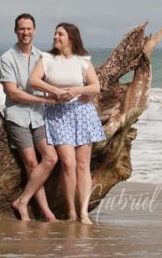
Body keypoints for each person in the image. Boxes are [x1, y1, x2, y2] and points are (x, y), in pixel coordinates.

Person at [28, 22, 106, 224]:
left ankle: (84, 212)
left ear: (70, 38)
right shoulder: (47, 58)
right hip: (57, 114)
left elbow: (95, 86)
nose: (55, 37)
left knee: (83, 165)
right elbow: (34, 81)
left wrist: (77, 91)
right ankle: (71, 212)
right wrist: (54, 90)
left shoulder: (82, 60)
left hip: (82, 114)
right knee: (68, 164)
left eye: (60, 34)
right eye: (55, 33)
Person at [0, 13, 59, 221]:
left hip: (39, 117)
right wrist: (43, 100)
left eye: (29, 28)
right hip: (17, 116)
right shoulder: (7, 58)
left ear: (34, 30)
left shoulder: (41, 57)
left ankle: (22, 200)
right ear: (15, 31)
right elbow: (13, 93)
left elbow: (52, 83)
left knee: (51, 158)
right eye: (21, 29)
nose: (25, 32)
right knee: (32, 163)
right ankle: (46, 213)